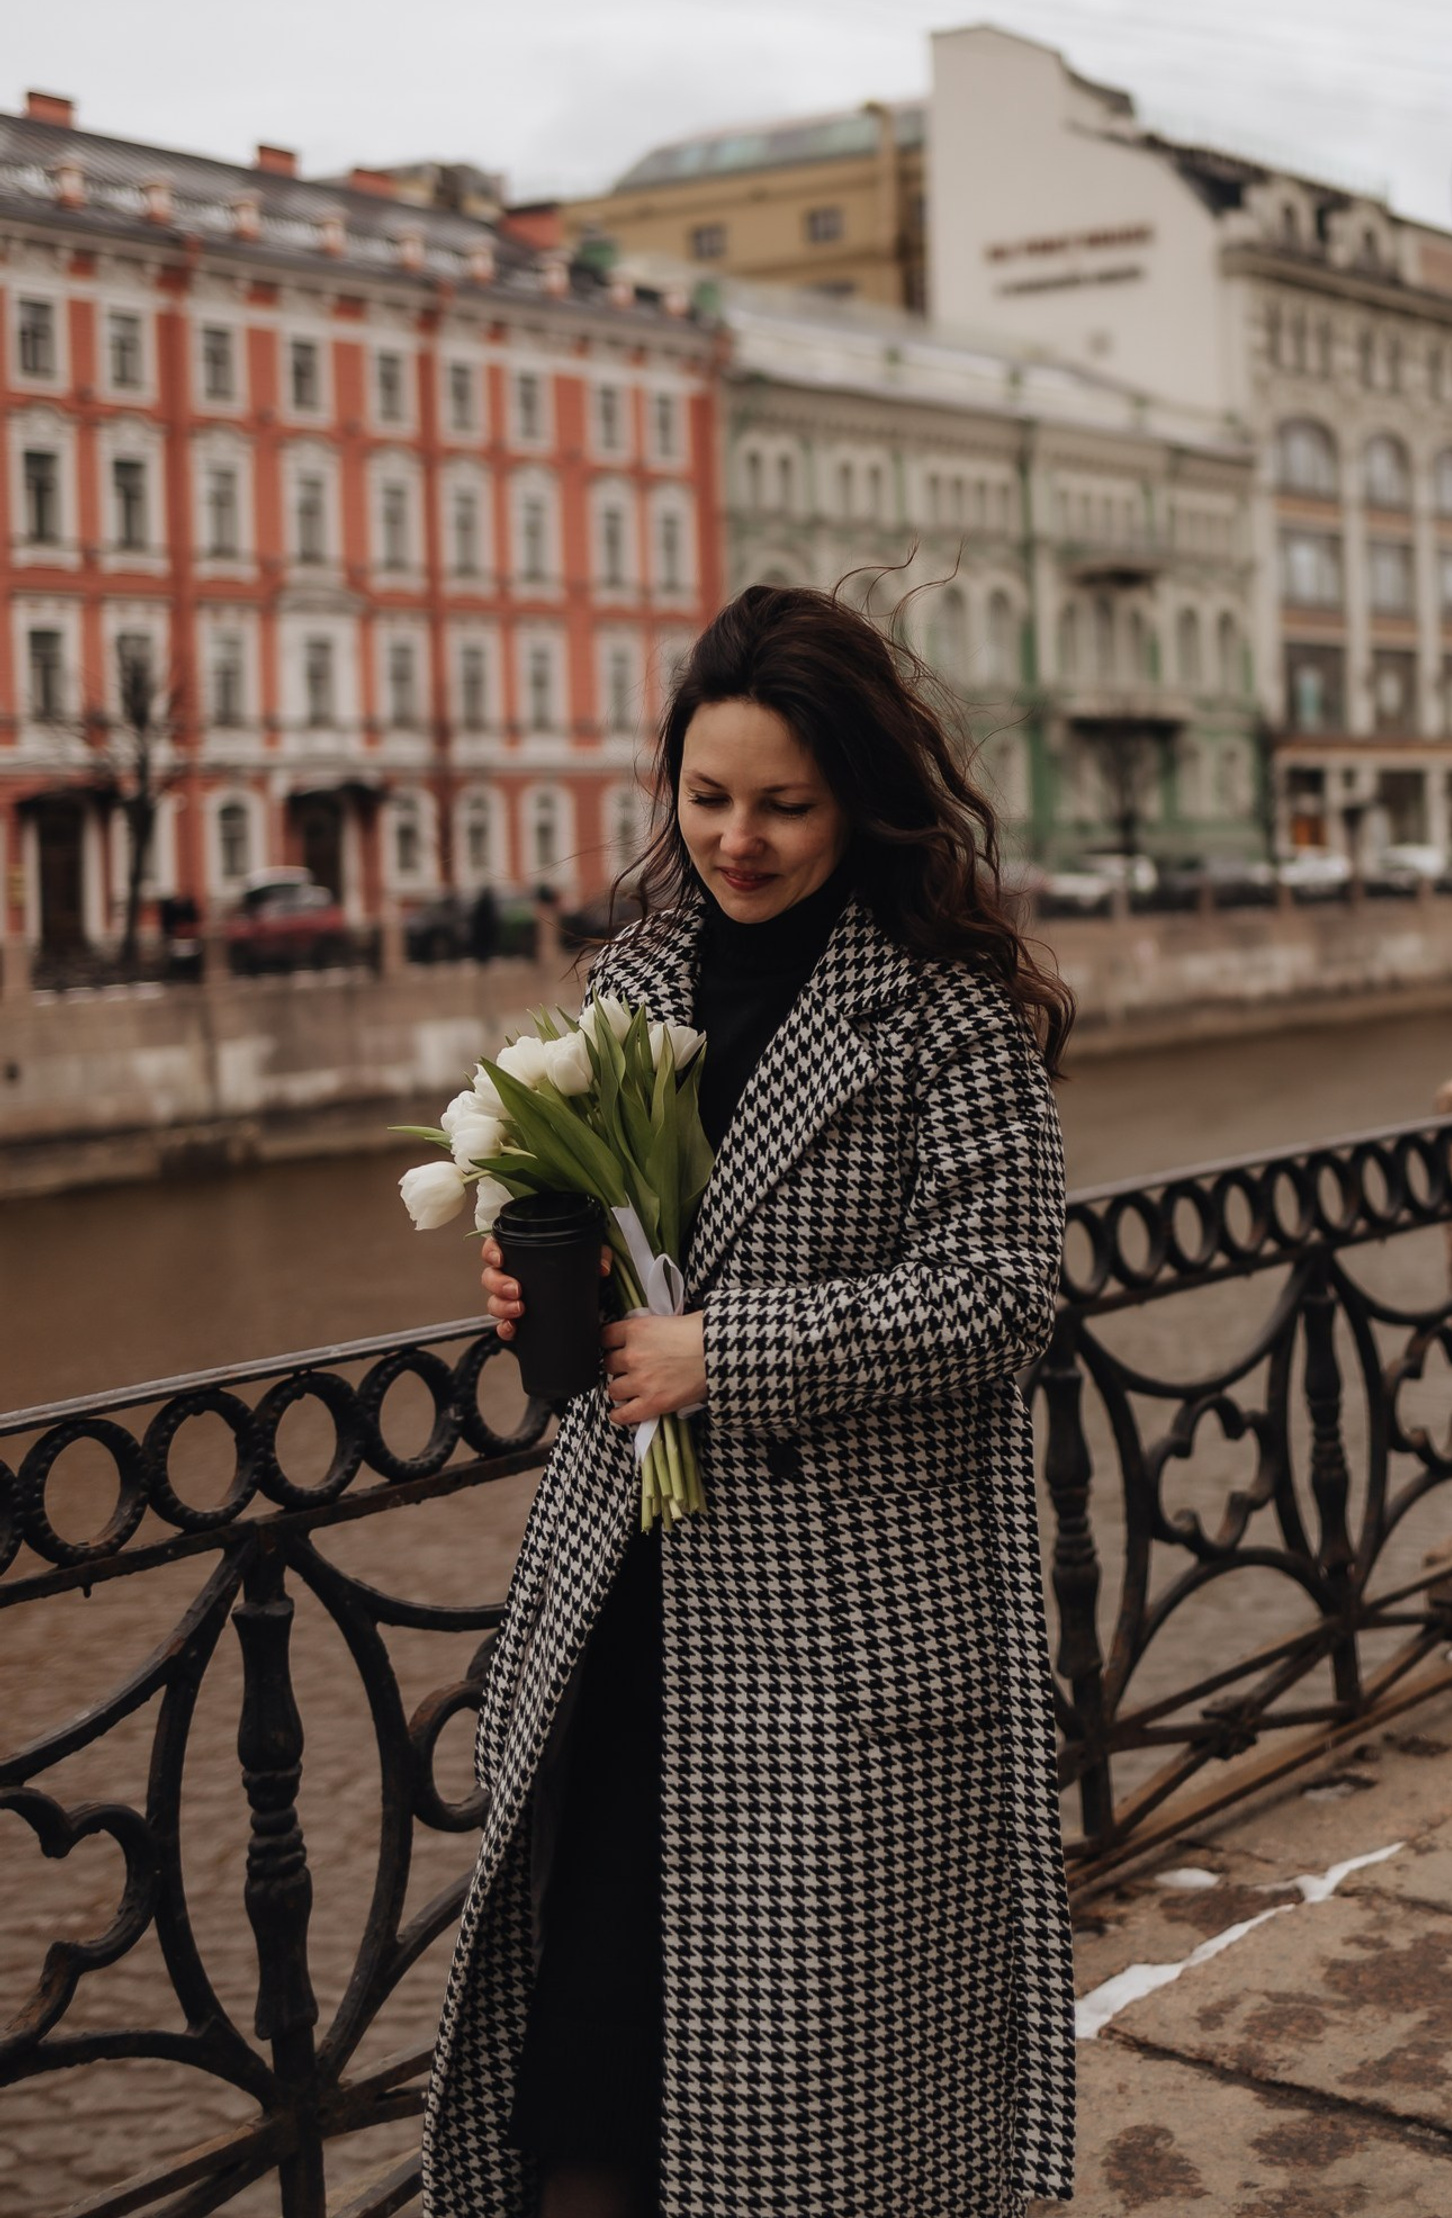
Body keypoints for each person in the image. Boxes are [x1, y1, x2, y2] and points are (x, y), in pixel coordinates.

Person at [421, 585, 1078, 2218]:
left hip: (830, 1647)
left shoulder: (943, 1007)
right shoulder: (634, 974)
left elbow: (1008, 1292)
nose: (740, 838)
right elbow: (610, 1225)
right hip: (625, 1615)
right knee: (581, 2057)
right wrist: (526, 1275)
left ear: (860, 793)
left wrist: (736, 1350)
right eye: (707, 798)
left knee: (802, 2115)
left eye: (784, 804)